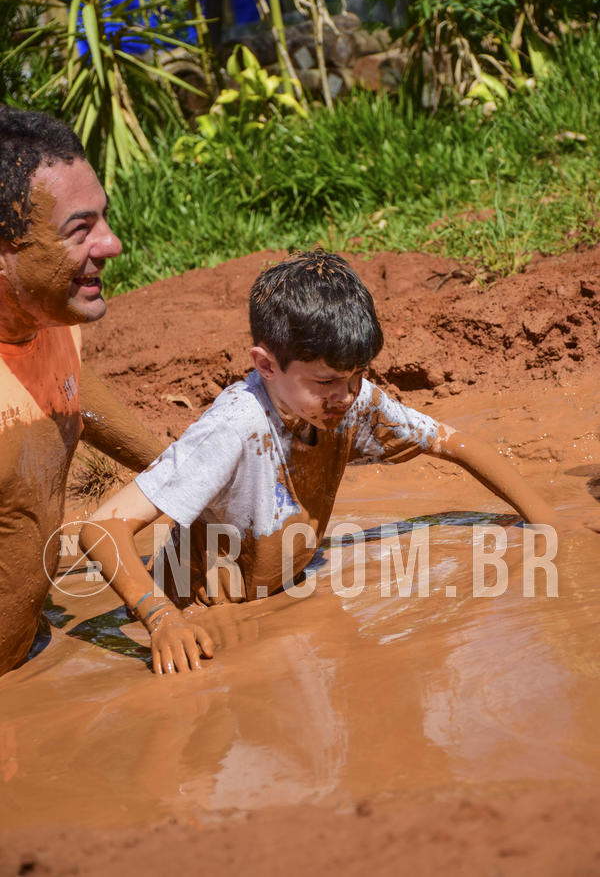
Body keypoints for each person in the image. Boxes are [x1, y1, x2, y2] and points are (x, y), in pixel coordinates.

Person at [81, 249, 570, 677]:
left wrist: (549, 524)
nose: (346, 396)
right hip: (199, 619)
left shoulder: (352, 400)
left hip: (272, 604)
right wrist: (161, 618)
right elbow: (102, 529)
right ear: (266, 365)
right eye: (326, 381)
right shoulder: (236, 428)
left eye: (358, 376)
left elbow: (454, 442)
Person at [0, 106, 164, 676]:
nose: (112, 244)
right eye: (80, 230)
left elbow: (66, 385)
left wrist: (190, 474)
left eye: (103, 220)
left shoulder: (48, 322)